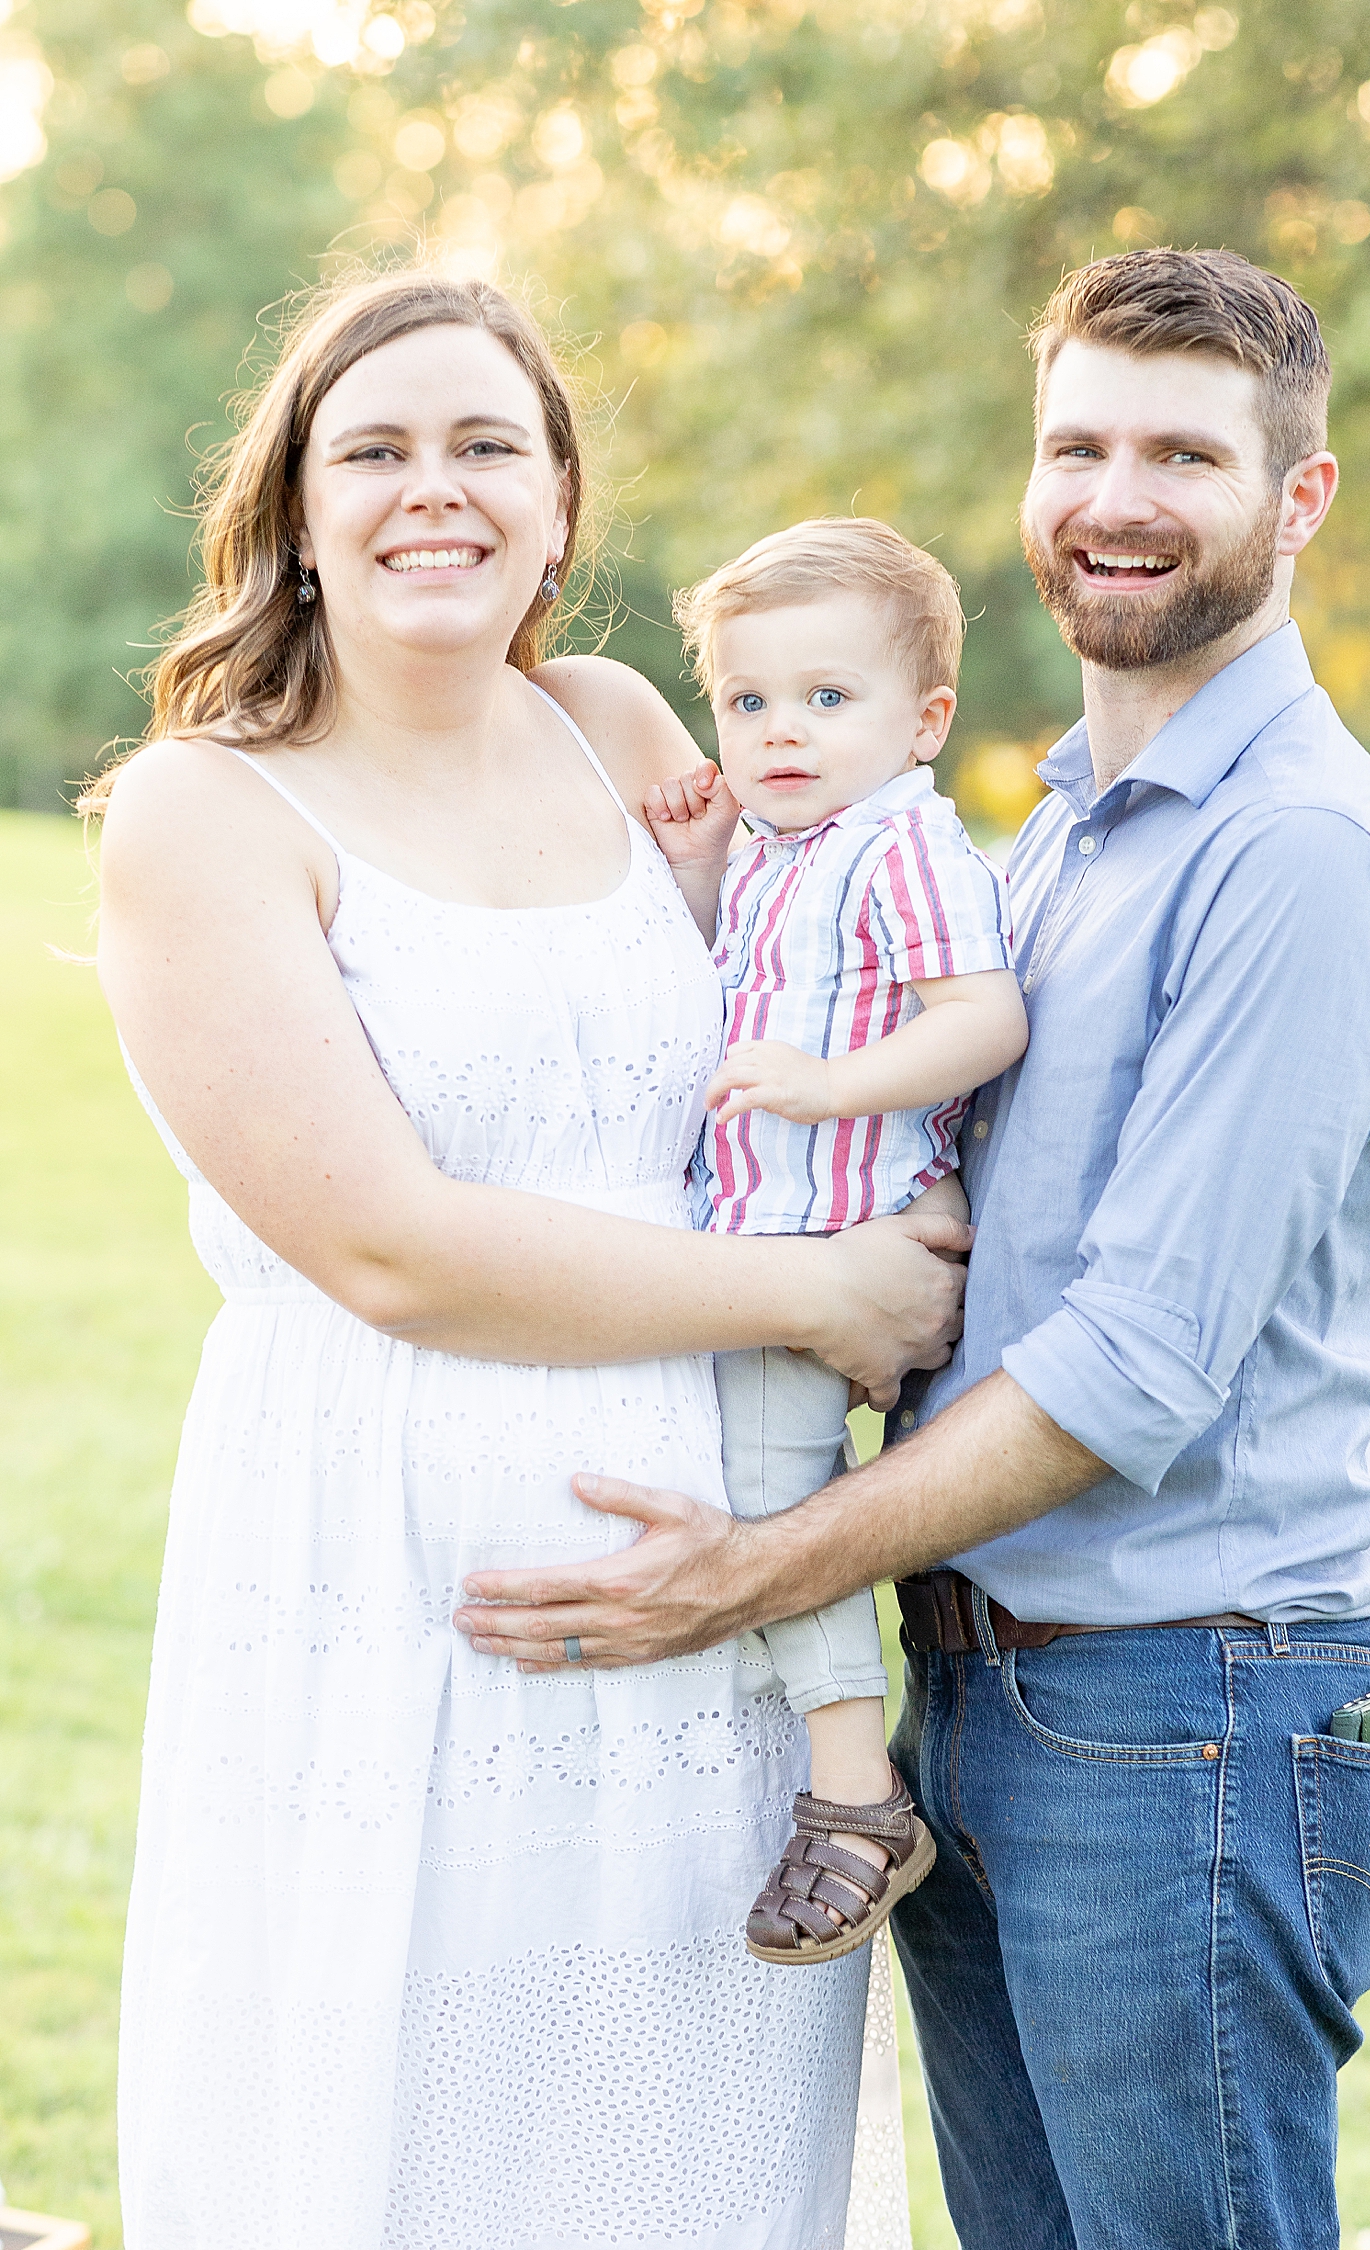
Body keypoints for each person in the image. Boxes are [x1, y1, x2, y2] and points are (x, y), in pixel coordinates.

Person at [455, 248, 1370, 2250]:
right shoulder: (1060, 828)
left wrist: (758, 1570)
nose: (1117, 494)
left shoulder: (1297, 856)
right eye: (1077, 441)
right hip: (985, 1701)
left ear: (1302, 497)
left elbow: (1142, 1366)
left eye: (1185, 451)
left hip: (1185, 1722)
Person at [89, 267, 969, 2250]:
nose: (438, 491)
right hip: (388, 1582)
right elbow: (389, 1248)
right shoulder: (202, 815)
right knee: (403, 2140)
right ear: (295, 510)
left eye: (489, 445)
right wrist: (818, 1298)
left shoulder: (620, 724)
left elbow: (803, 997)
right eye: (376, 451)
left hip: (717, 1579)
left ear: (561, 505)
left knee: (693, 2138)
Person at [640, 519, 1027, 1962]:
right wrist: (693, 873)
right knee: (751, 1481)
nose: (779, 731)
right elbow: (727, 1002)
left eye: (825, 698)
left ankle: (855, 1797)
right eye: (747, 702)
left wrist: (829, 1087)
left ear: (925, 721)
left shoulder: (900, 845)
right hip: (762, 1244)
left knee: (766, 1497)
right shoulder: (780, 851)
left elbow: (983, 1018)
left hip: (834, 1242)